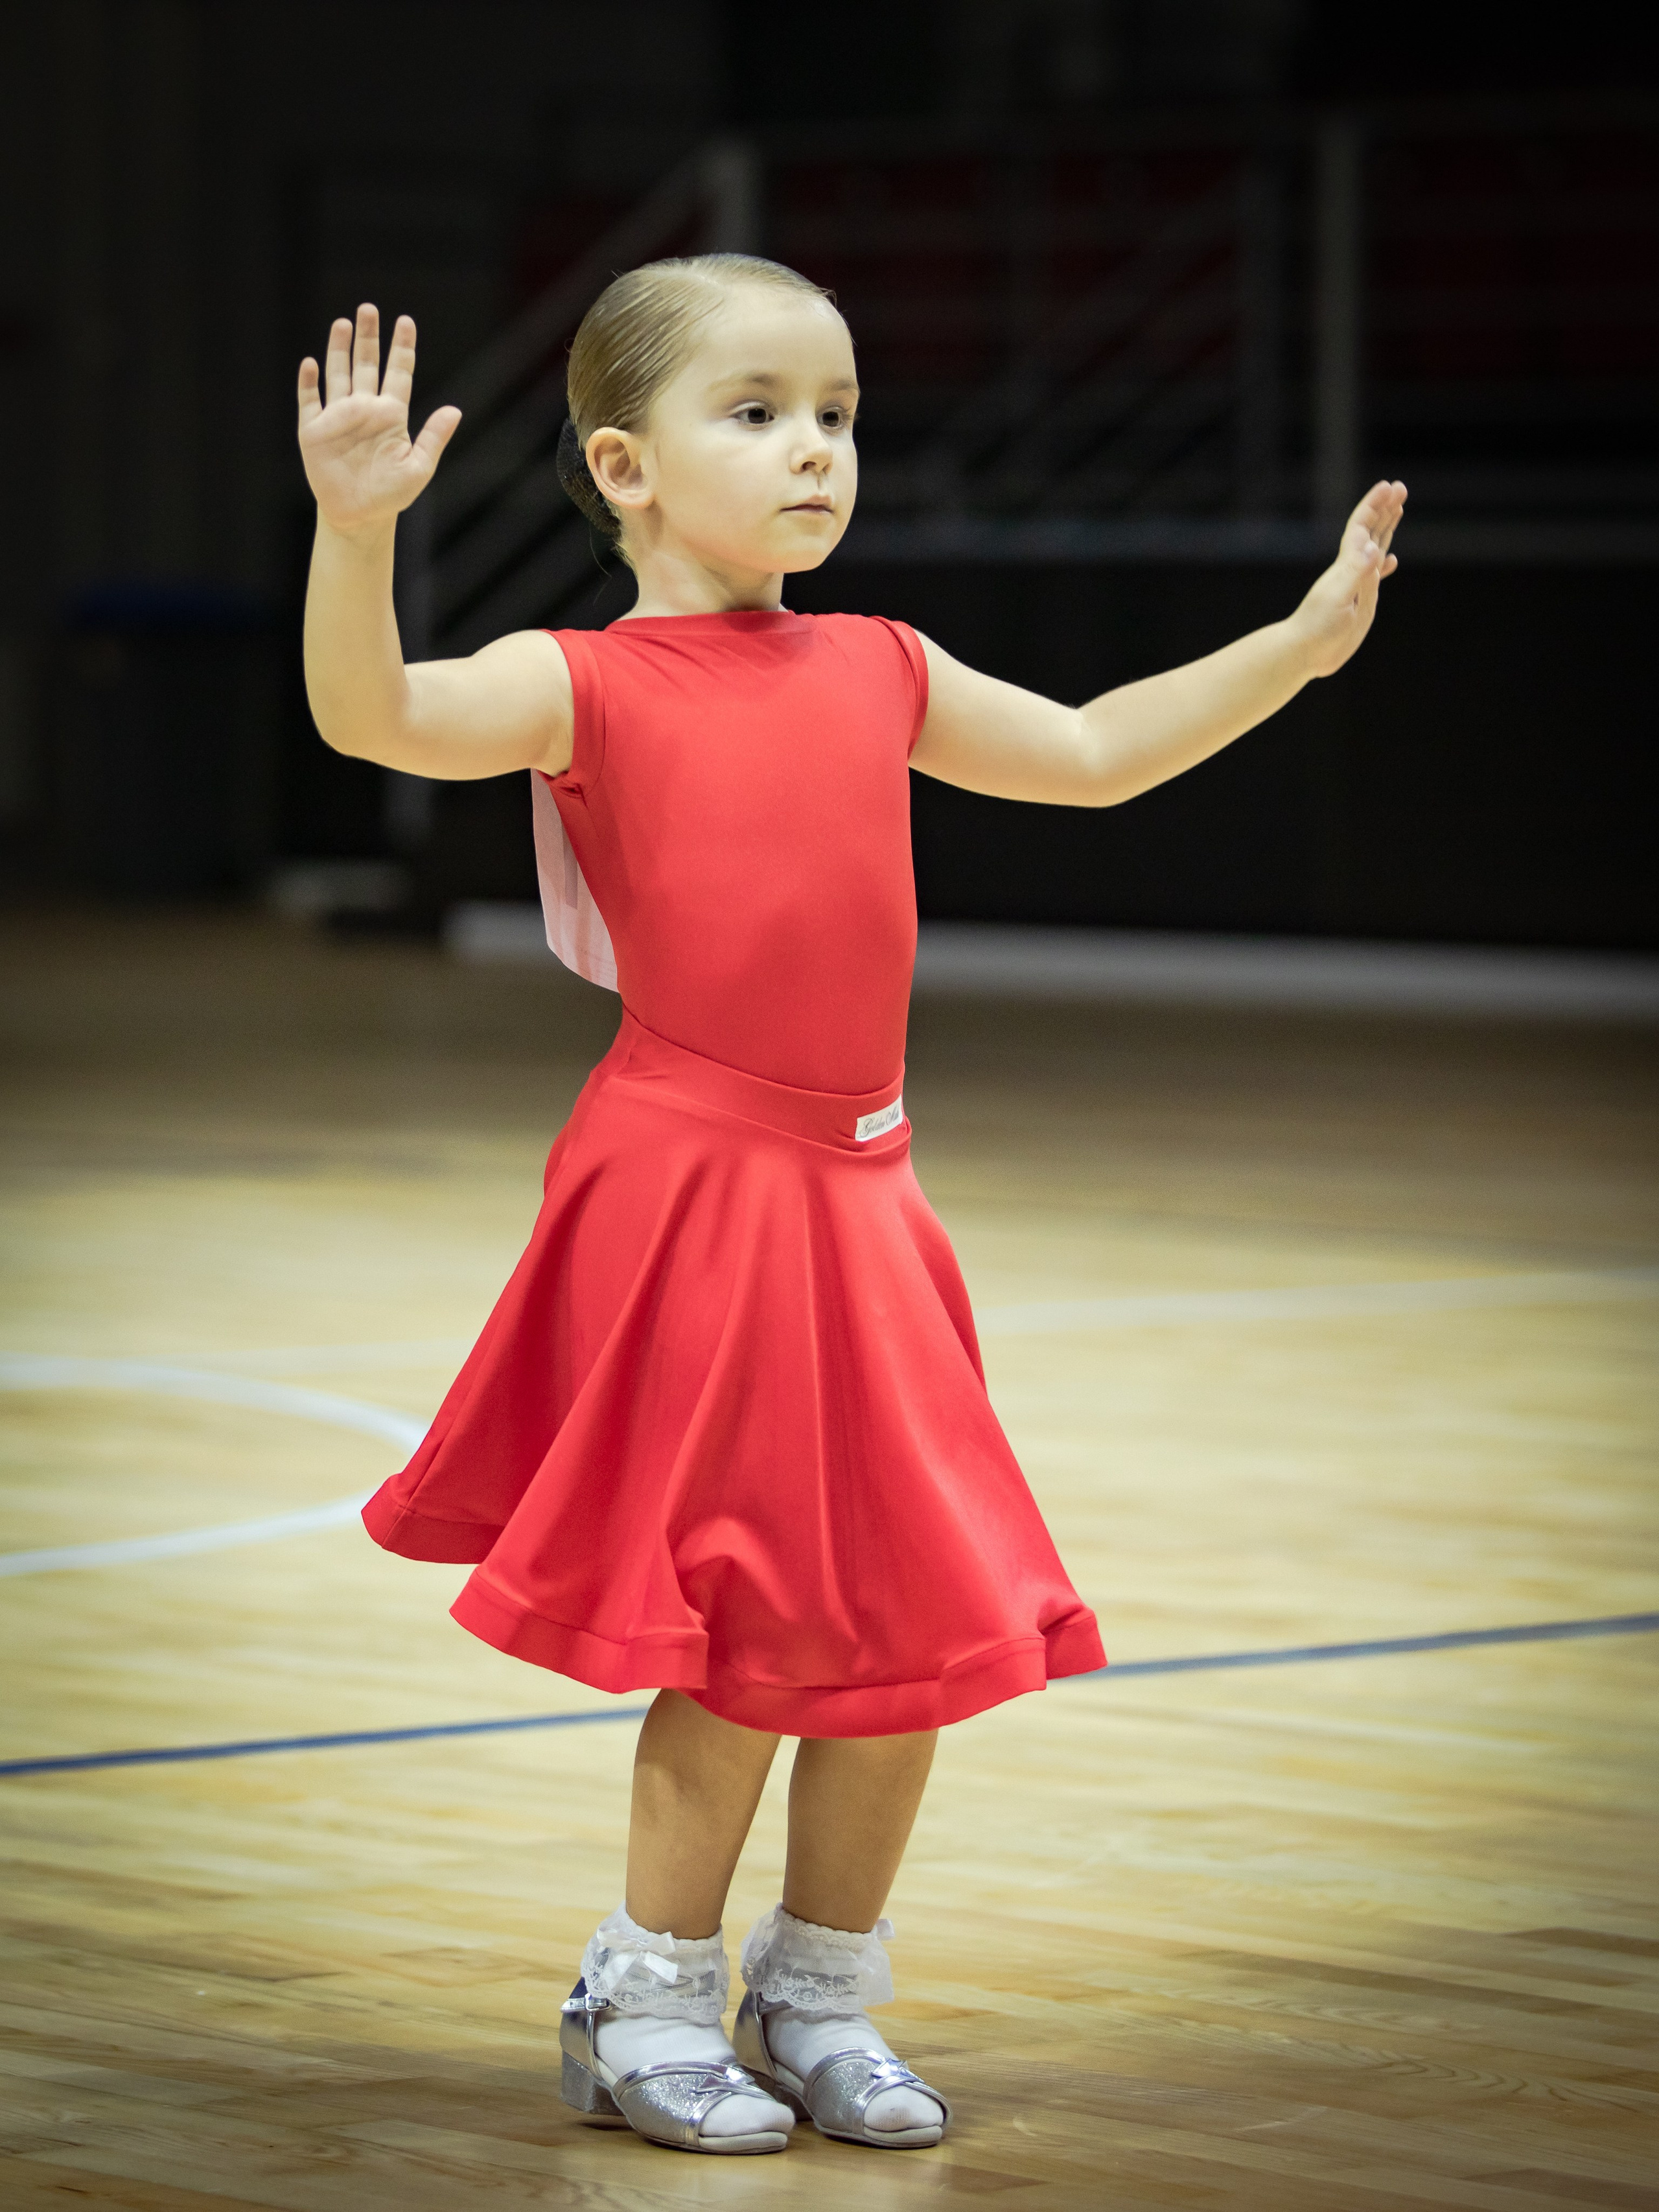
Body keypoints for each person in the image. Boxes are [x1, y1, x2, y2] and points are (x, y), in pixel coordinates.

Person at [297, 255, 1404, 2158]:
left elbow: (1094, 754)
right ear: (625, 467)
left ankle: (818, 1992)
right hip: (693, 1188)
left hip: (866, 1193)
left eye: (839, 415)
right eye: (761, 414)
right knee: (734, 1626)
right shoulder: (586, 684)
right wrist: (350, 531)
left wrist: (1294, 649)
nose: (816, 451)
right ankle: (641, 1992)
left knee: (910, 1619)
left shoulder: (881, 664)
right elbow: (374, 718)